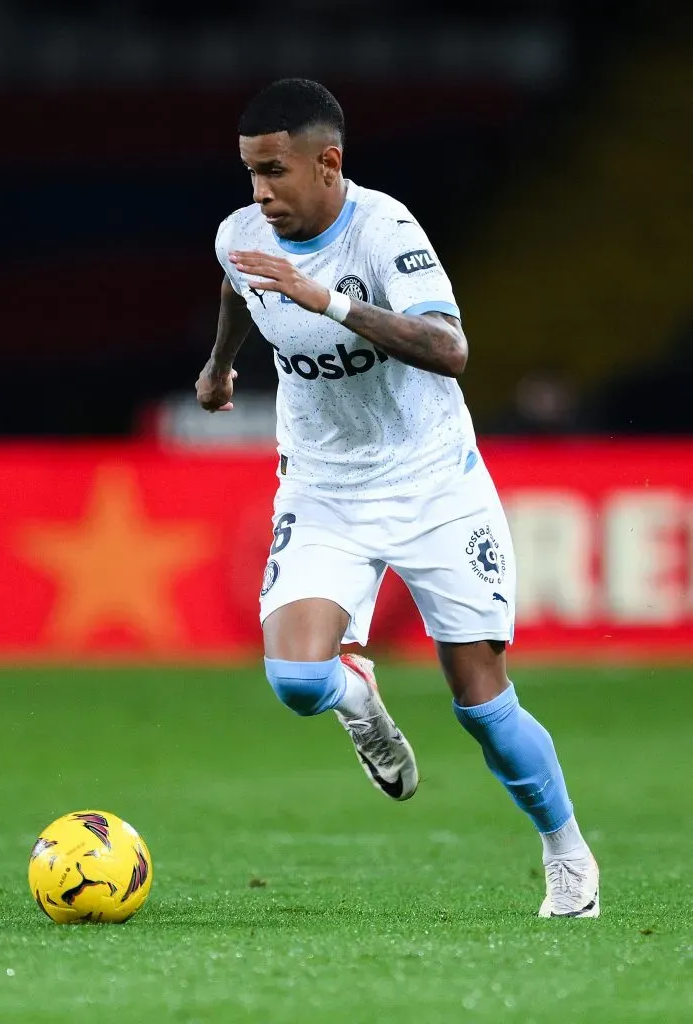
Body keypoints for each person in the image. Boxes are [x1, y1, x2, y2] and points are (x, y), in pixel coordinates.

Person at [195, 78, 599, 918]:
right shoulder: (242, 234)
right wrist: (222, 362)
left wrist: (332, 301)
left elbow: (450, 350)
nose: (260, 193)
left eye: (274, 172)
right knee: (296, 679)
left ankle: (566, 854)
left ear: (328, 162)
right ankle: (358, 697)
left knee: (482, 703)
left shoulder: (386, 230)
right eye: (249, 174)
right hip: (323, 486)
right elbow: (240, 285)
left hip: (431, 483)